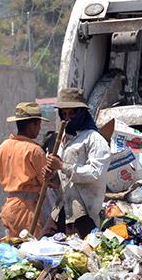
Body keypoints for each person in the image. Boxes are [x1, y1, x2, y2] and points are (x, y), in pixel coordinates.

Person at [41, 87, 111, 238]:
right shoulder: (64, 139)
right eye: (64, 114)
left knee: (82, 251)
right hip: (62, 205)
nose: (68, 118)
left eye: (72, 113)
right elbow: (61, 176)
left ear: (81, 113)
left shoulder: (94, 139)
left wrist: (63, 167)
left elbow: (95, 172)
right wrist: (52, 175)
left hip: (84, 208)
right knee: (44, 242)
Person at [0, 102, 49, 237]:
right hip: (27, 210)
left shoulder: (3, 146)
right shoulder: (35, 150)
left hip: (9, 207)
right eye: (38, 125)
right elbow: (45, 181)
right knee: (31, 251)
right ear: (33, 125)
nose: (39, 129)